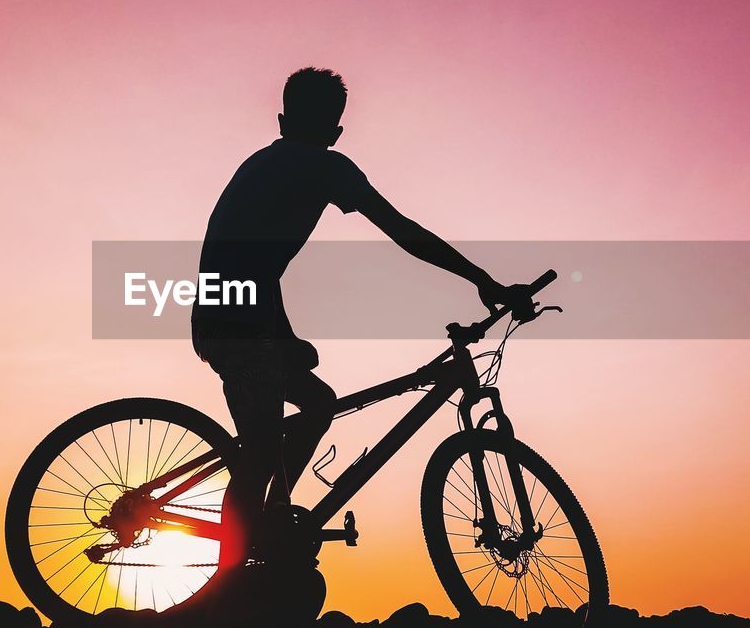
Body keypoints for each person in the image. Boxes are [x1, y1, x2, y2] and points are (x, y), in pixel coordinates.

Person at [192, 67, 533, 571]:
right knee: (261, 455)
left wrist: (281, 334)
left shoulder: (262, 162)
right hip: (242, 320)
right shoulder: (326, 167)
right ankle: (222, 589)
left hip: (231, 311)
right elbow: (402, 231)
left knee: (316, 403)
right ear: (336, 132)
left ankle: (267, 526)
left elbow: (245, 262)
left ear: (282, 119)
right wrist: (483, 279)